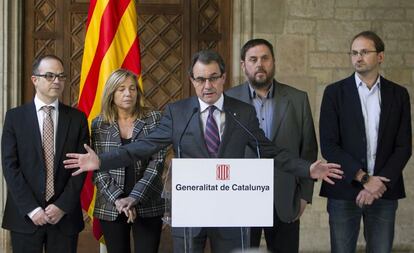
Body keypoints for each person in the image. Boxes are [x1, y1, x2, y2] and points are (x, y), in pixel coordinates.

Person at [64, 50, 342, 253]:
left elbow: (268, 149)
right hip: (191, 211)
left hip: (232, 210)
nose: (207, 86)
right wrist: (101, 160)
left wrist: (306, 168)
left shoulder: (242, 112)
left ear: (223, 78)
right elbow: (143, 147)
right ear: (191, 80)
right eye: (200, 79)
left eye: (213, 78)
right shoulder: (177, 112)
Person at [319, 31, 412, 253]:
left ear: (380, 56)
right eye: (354, 53)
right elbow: (329, 145)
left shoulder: (398, 94)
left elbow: (403, 146)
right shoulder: (334, 93)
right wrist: (364, 179)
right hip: (344, 189)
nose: (358, 57)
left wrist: (378, 184)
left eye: (364, 52)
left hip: (384, 190)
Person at [226, 38, 317, 253]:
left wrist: (305, 196)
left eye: (265, 58)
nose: (260, 64)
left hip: (285, 197)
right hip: (242, 197)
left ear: (273, 62)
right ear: (243, 65)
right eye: (253, 59)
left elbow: (309, 150)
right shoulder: (228, 100)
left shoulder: (297, 99)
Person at [1, 55, 89, 253]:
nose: (57, 81)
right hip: (25, 217)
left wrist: (62, 206)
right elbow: (10, 166)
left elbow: (81, 167)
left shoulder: (77, 119)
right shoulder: (15, 117)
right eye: (49, 76)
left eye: (61, 76)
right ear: (35, 80)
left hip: (64, 218)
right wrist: (32, 209)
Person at [91, 69, 167, 253]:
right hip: (111, 205)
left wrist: (134, 198)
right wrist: (118, 199)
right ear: (111, 93)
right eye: (121, 89)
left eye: (132, 88)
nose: (128, 93)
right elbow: (98, 167)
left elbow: (157, 163)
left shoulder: (154, 119)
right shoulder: (99, 124)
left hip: (148, 201)